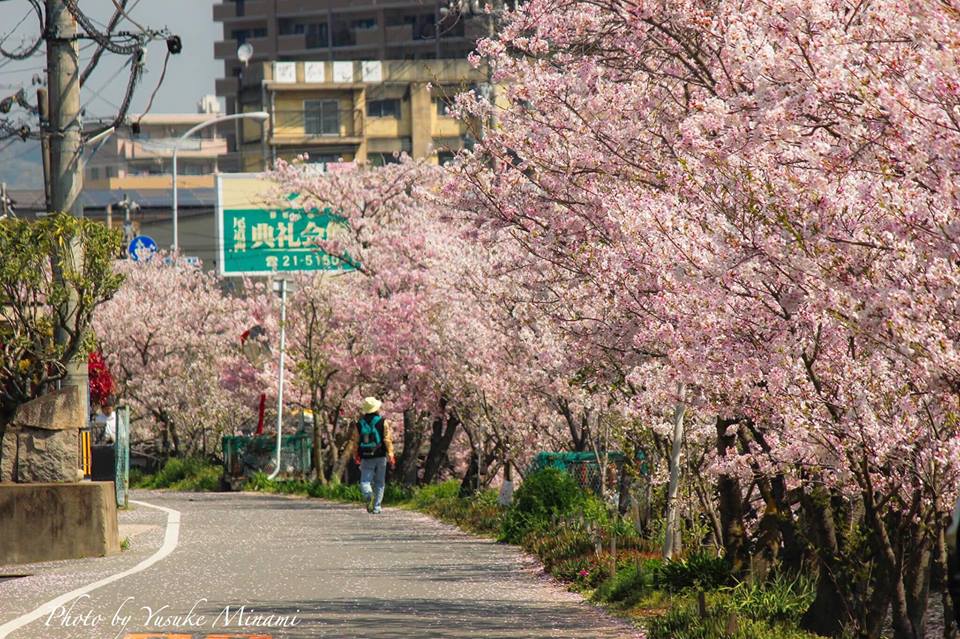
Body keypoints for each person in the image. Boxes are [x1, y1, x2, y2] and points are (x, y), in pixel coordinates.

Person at [347, 397, 395, 514]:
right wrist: (390, 454)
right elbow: (387, 439)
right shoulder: (383, 422)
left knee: (365, 481)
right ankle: (377, 507)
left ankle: (368, 494)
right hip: (380, 456)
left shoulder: (359, 424)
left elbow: (355, 441)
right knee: (379, 482)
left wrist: (356, 454)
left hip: (365, 456)